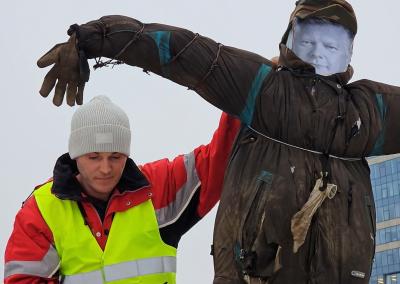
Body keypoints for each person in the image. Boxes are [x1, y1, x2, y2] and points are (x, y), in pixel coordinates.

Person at [34, 0, 400, 283]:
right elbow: (184, 53)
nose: (320, 51)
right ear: (290, 41)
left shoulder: (366, 112)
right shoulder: (264, 90)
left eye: (333, 44)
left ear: (350, 52)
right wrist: (94, 39)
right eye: (309, 40)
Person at [4, 95, 240, 283]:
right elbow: (22, 280)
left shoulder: (156, 190)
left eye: (115, 156)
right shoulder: (43, 209)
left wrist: (251, 90)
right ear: (75, 156)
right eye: (94, 157)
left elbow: (218, 160)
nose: (105, 168)